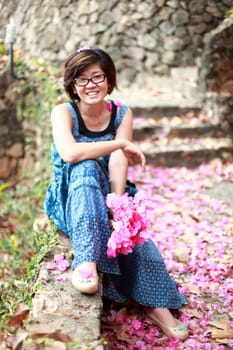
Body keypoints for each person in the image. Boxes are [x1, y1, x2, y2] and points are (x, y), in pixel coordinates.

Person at [44, 47, 188, 340]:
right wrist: (117, 144)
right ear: (72, 85)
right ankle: (86, 260)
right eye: (81, 79)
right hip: (72, 193)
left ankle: (157, 304)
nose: (91, 85)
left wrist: (117, 206)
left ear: (109, 79)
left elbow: (119, 162)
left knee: (132, 235)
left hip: (110, 187)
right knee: (84, 169)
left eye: (97, 77)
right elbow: (71, 153)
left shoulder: (122, 113)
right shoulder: (63, 112)